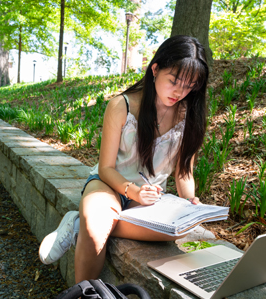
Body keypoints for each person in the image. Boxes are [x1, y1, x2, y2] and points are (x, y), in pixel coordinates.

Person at [39, 35, 209, 283]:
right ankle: (84, 291)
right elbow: (106, 168)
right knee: (96, 233)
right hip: (109, 185)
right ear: (155, 69)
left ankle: (81, 222)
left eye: (189, 86)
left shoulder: (188, 116)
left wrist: (190, 200)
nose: (180, 92)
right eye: (174, 81)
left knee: (177, 230)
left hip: (150, 197)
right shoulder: (123, 106)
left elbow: (184, 172)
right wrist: (133, 191)